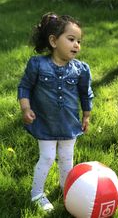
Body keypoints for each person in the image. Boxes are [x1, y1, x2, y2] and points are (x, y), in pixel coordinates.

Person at [18, 12, 94, 212]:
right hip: (45, 123)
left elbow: (86, 94)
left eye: (79, 41)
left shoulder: (80, 69)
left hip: (69, 124)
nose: (76, 45)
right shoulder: (38, 65)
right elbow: (24, 87)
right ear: (53, 41)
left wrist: (86, 115)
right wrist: (26, 107)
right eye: (71, 39)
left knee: (67, 158)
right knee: (48, 157)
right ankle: (37, 193)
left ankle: (65, 188)